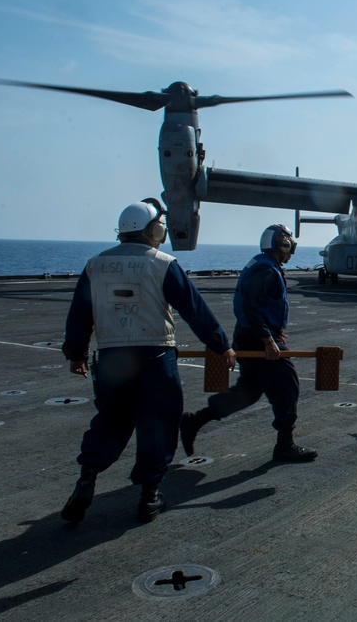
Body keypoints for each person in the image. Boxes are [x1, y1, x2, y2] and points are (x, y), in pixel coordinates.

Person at [60, 199, 236, 524]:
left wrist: (76, 353)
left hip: (113, 358)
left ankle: (87, 479)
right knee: (158, 424)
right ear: (154, 229)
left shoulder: (95, 265)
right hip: (155, 358)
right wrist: (220, 344)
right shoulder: (162, 263)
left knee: (110, 420)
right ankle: (149, 497)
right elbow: (193, 308)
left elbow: (80, 314)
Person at [180, 224, 318, 463]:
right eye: (288, 244)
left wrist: (273, 331)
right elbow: (250, 306)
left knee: (248, 392)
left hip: (249, 334)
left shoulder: (261, 264)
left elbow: (258, 305)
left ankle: (196, 420)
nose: (291, 250)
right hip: (257, 337)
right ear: (282, 244)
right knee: (287, 386)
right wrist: (267, 339)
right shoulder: (266, 269)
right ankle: (285, 445)